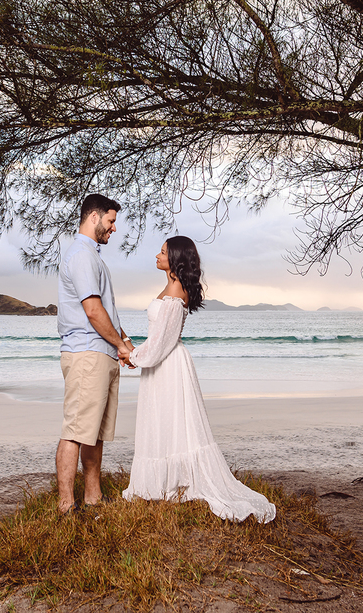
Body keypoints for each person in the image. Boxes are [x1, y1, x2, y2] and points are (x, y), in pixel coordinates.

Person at [124, 236, 276, 523]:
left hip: (169, 365)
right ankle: (166, 482)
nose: (157, 255)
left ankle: (172, 483)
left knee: (172, 421)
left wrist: (133, 356)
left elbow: (161, 343)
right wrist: (136, 354)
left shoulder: (175, 289)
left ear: (175, 258)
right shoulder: (170, 286)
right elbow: (158, 339)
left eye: (163, 252)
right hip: (164, 361)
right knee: (165, 422)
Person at [56, 193, 135, 514]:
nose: (114, 228)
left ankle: (93, 497)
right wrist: (120, 346)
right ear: (94, 217)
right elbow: (92, 310)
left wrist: (124, 342)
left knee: (94, 433)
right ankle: (65, 505)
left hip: (101, 353)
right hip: (87, 354)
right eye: (111, 221)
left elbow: (106, 312)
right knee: (76, 431)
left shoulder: (93, 256)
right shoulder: (81, 255)